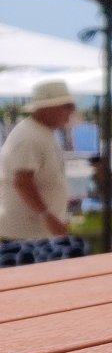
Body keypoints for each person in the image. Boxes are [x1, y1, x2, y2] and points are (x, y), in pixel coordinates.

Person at [0, 80, 77, 242]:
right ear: (48, 108)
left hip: (35, 233)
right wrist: (48, 216)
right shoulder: (29, 137)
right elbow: (22, 182)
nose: (72, 111)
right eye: (67, 106)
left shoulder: (40, 132)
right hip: (24, 235)